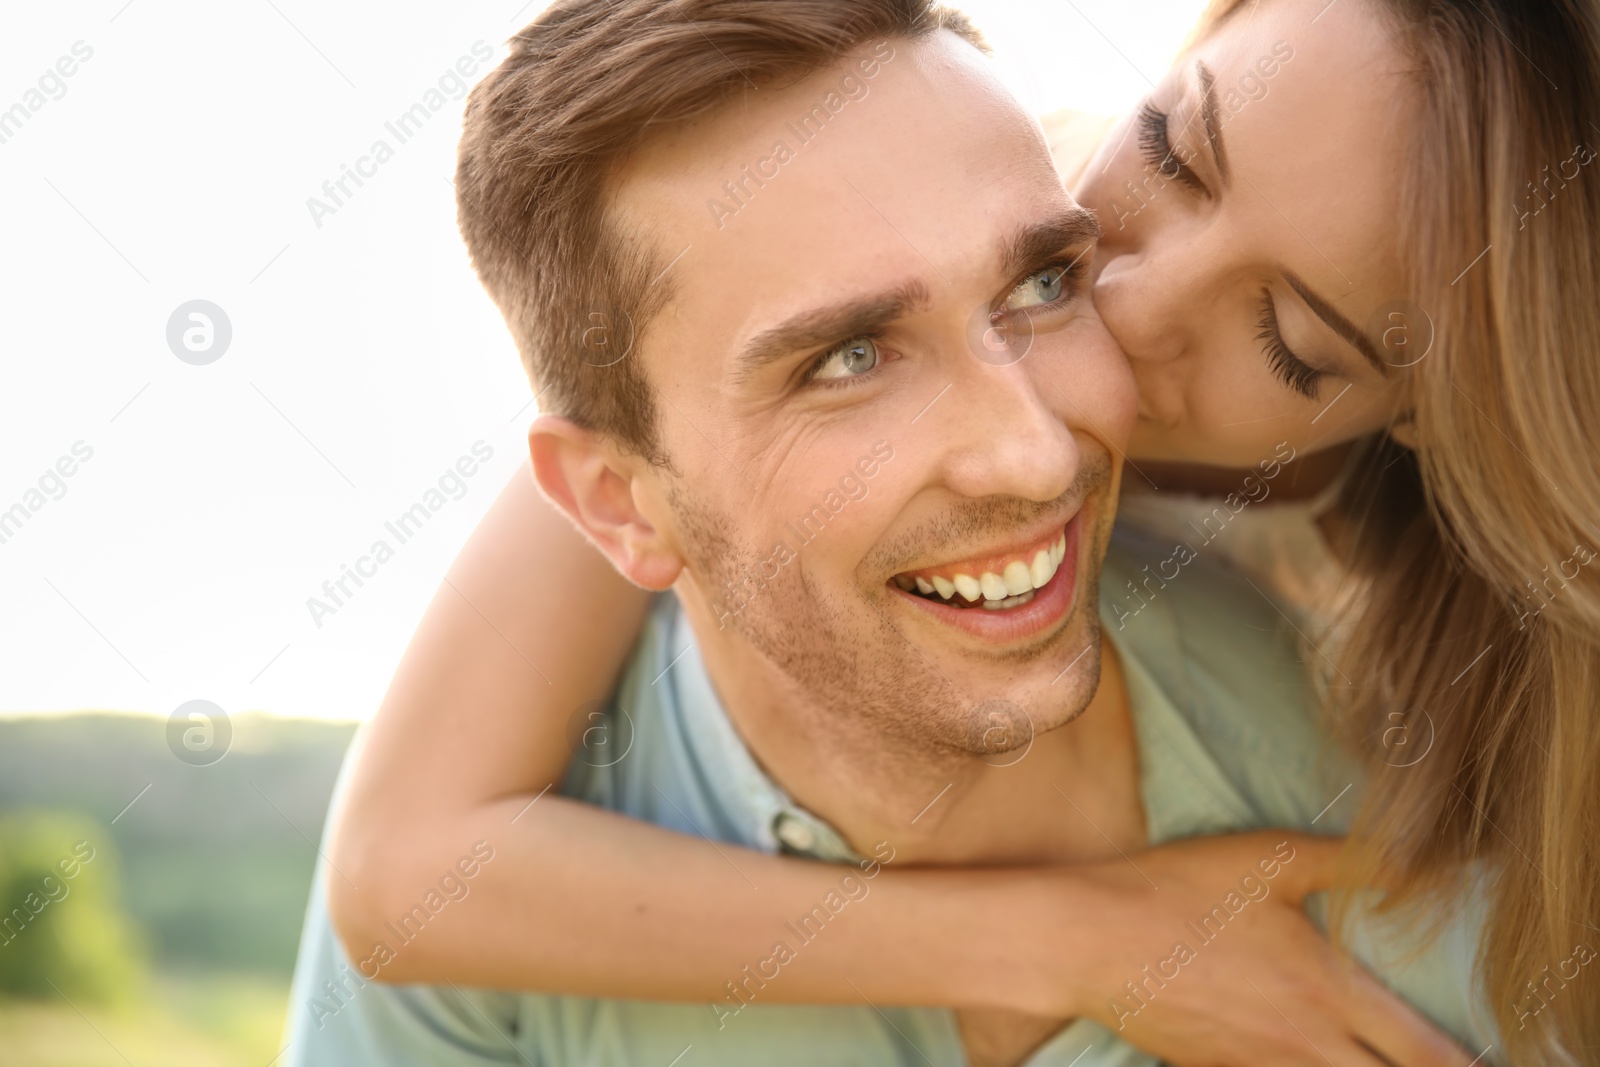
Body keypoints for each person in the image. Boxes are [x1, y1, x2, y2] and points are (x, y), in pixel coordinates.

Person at [301, 0, 1600, 1063]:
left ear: (1435, 415)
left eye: (1293, 345)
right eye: (1171, 153)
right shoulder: (902, 196)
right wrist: (1081, 940)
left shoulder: (1427, 801)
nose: (1124, 311)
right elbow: (406, 871)